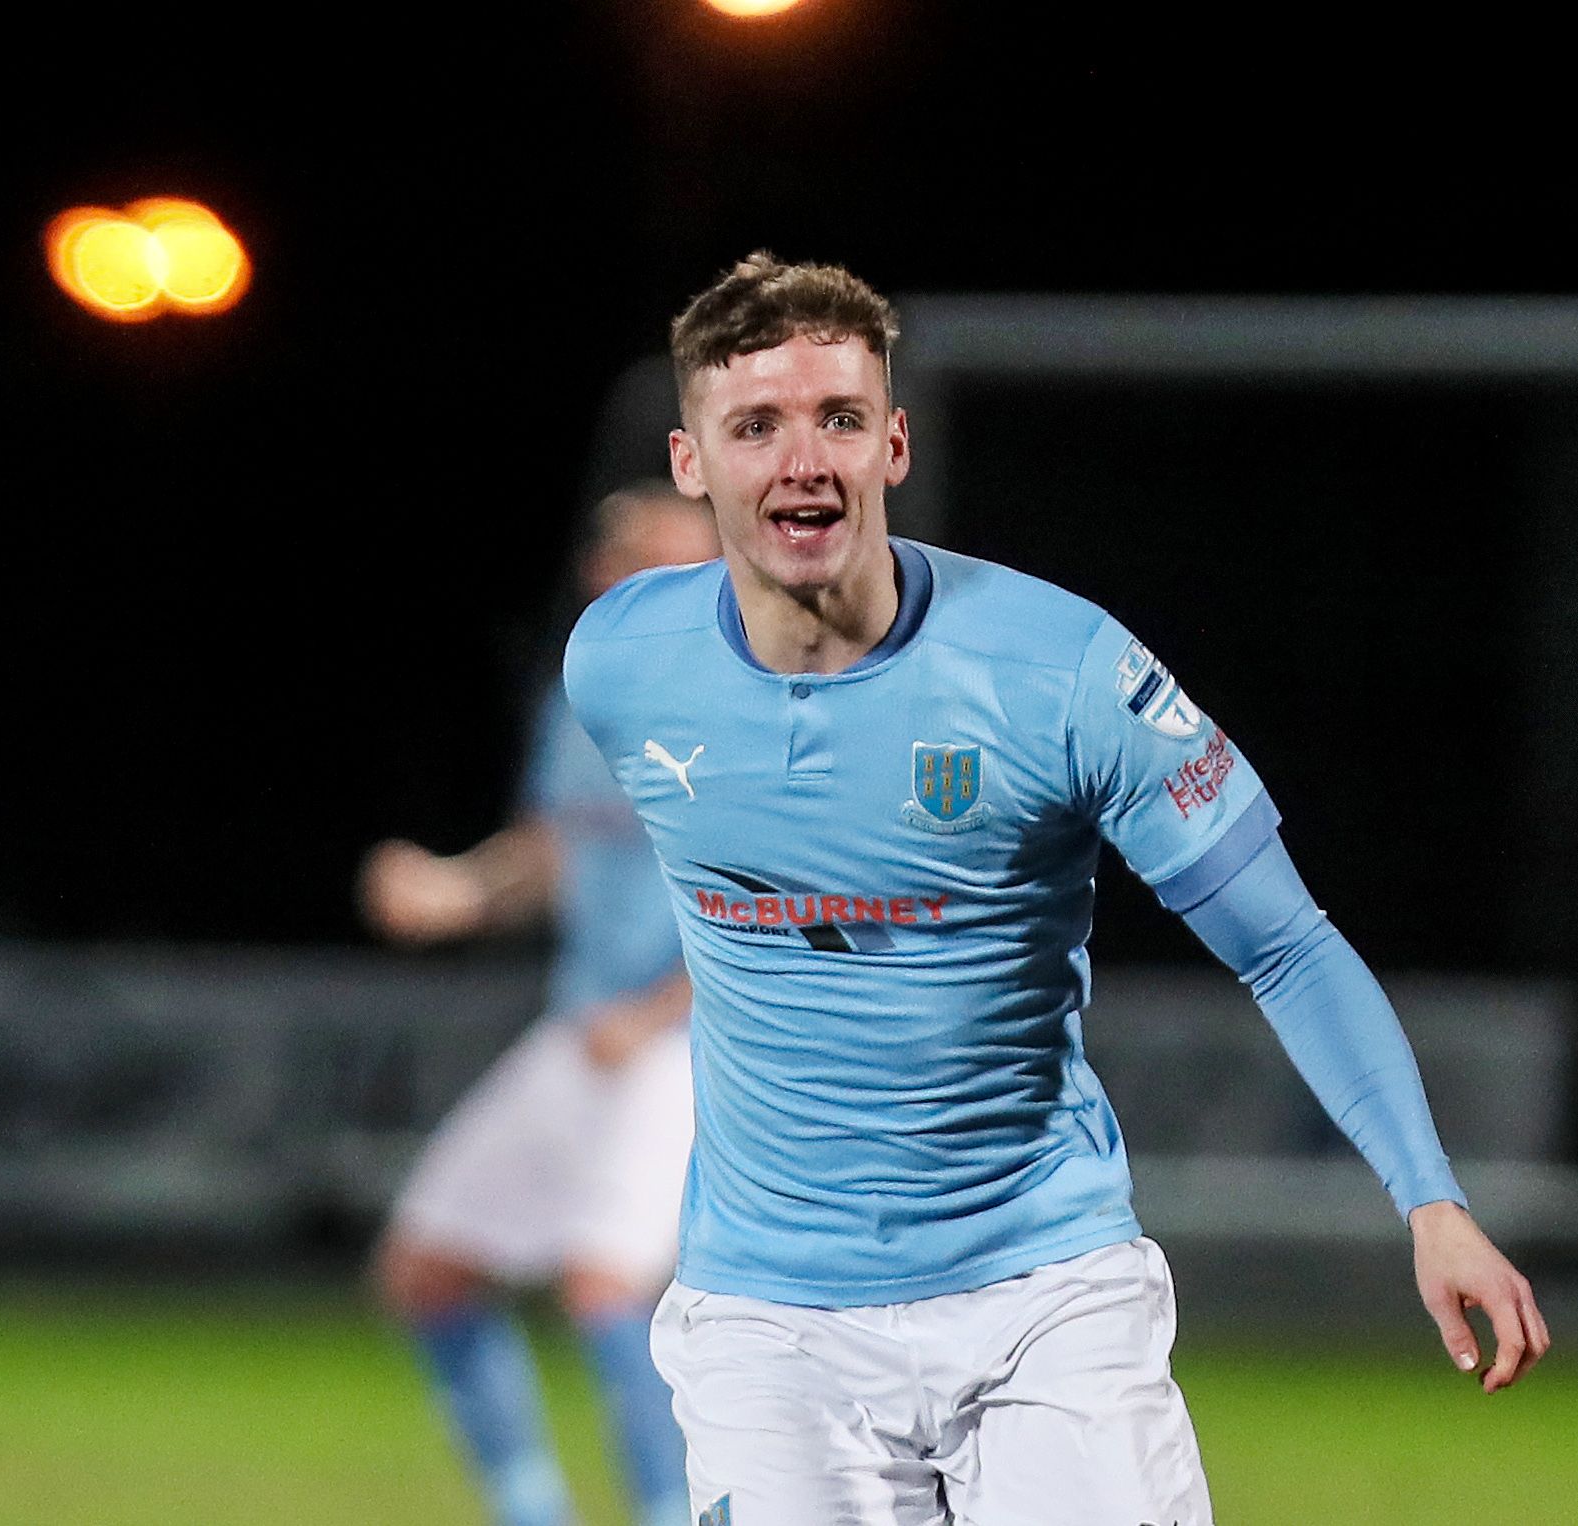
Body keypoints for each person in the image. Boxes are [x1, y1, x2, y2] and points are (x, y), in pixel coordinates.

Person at [562, 255, 1551, 1526]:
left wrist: (1433, 1199)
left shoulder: (1064, 670)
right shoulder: (622, 662)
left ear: (894, 444)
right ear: (692, 464)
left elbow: (1287, 945)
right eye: (756, 425)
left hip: (1039, 1298)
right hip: (767, 1322)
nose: (802, 459)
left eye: (839, 419)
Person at [361, 483, 719, 1526]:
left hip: (686, 1037)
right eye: (632, 558)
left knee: (610, 1290)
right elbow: (557, 844)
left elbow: (782, 901)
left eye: (681, 564)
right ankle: (530, 1507)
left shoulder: (742, 702)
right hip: (587, 1027)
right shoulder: (586, 697)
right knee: (426, 1266)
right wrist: (457, 888)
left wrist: (654, 1011)